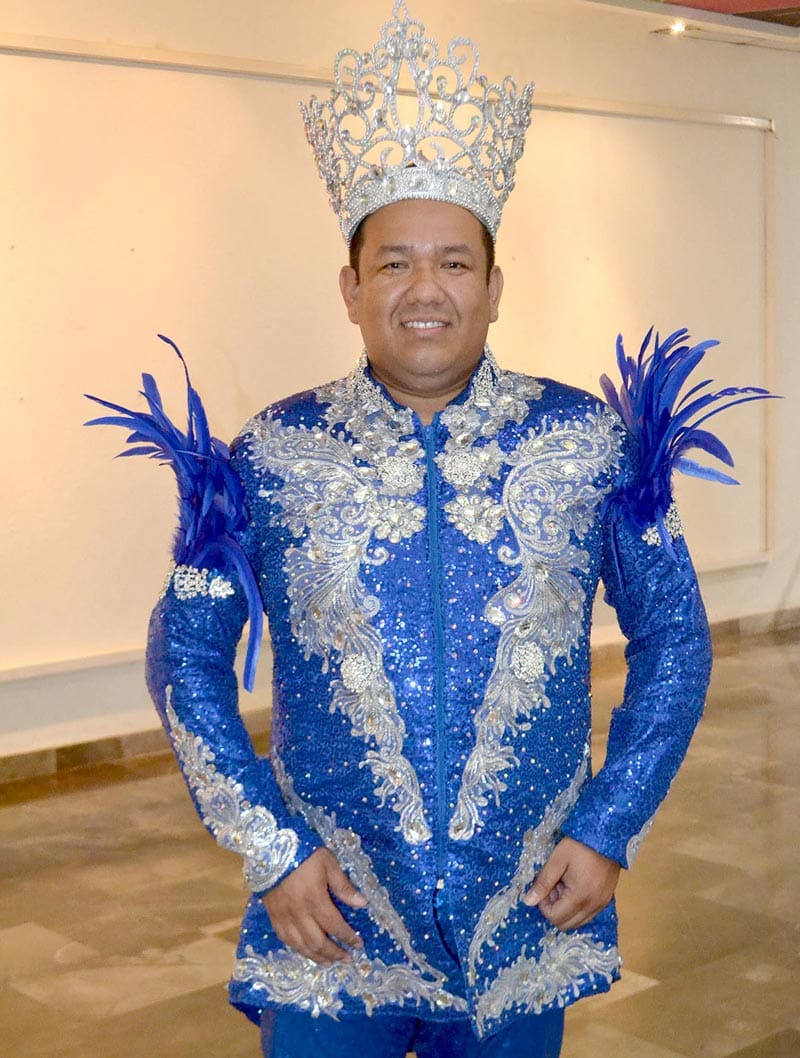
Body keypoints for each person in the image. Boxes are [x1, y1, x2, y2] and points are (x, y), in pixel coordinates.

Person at [108, 3, 762, 1055]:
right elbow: (183, 653)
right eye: (394, 263)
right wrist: (270, 848)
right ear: (350, 287)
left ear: (494, 287)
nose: (425, 289)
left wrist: (609, 825)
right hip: (330, 920)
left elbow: (675, 636)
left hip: (527, 908)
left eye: (454, 263)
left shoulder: (586, 444)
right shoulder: (271, 454)